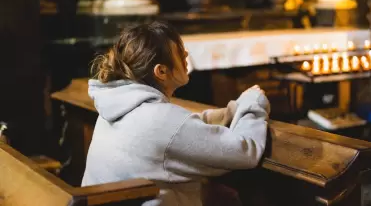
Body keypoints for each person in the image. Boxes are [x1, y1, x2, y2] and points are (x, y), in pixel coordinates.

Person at [81, 21, 270, 206]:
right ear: (161, 71)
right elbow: (245, 152)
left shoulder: (116, 106)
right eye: (179, 51)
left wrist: (224, 114)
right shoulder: (162, 121)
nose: (186, 53)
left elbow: (172, 131)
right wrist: (253, 102)